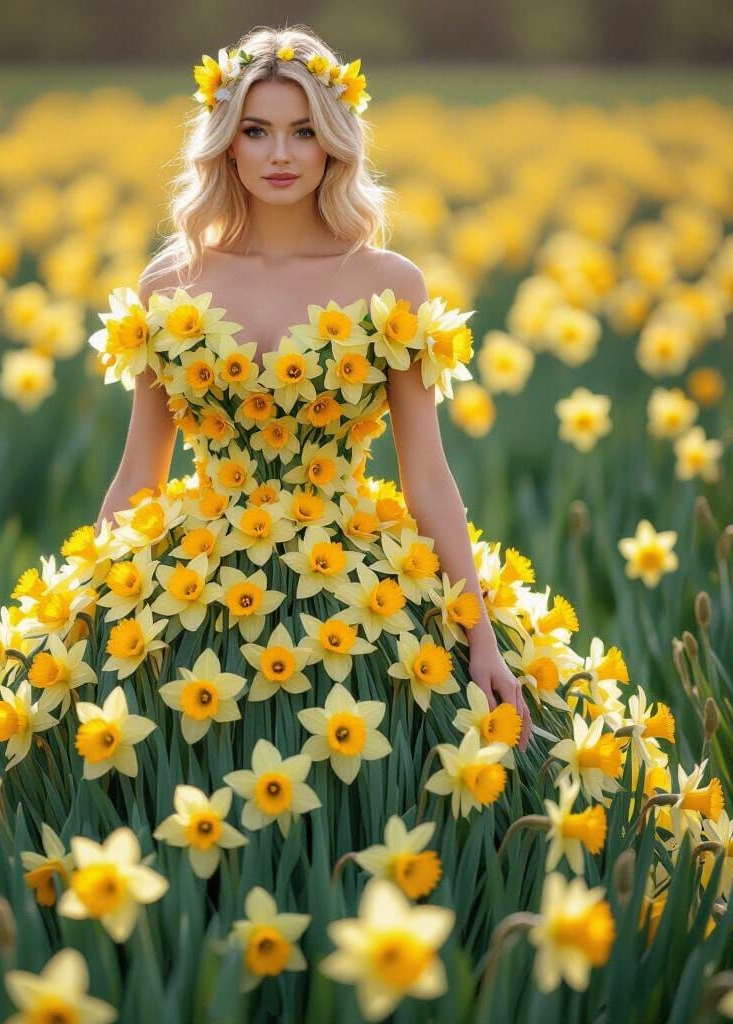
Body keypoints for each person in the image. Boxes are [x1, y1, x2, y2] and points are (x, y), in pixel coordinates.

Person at [93, 23, 534, 753]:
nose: (279, 155)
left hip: (356, 577)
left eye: (302, 132)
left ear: (333, 140)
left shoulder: (390, 283)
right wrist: (92, 608)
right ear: (227, 141)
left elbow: (425, 475)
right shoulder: (170, 282)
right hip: (194, 586)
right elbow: (141, 471)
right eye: (257, 130)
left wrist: (482, 637)